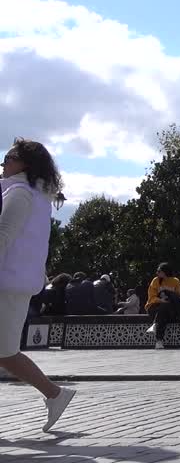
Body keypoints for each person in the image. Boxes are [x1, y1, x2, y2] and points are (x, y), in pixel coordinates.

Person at [0, 138, 76, 431]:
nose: (4, 162)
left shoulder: (19, 194)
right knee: (5, 352)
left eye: (9, 157)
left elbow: (3, 237)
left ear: (25, 164)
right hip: (15, 282)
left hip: (6, 283)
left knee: (6, 352)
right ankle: (55, 394)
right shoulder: (34, 195)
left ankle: (55, 394)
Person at [144, 263, 180, 349]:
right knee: (163, 310)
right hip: (154, 306)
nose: (157, 273)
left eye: (159, 271)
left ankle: (155, 325)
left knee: (164, 308)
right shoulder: (155, 280)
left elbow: (178, 297)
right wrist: (161, 300)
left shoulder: (175, 281)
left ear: (165, 272)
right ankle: (159, 340)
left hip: (169, 308)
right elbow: (151, 298)